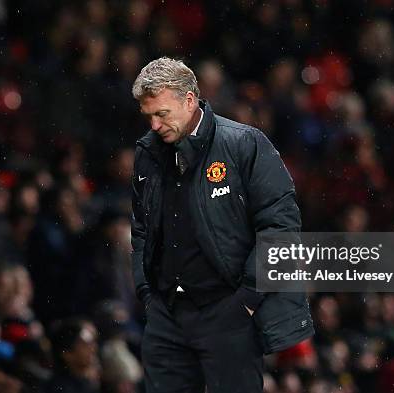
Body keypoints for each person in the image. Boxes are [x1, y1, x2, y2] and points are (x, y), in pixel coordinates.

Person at [130, 57, 314, 393]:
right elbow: (141, 229)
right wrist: (147, 294)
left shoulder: (244, 144)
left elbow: (281, 228)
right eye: (149, 116)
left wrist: (246, 298)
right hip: (166, 316)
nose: (154, 126)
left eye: (162, 114)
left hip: (228, 311)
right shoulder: (147, 154)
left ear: (188, 100)